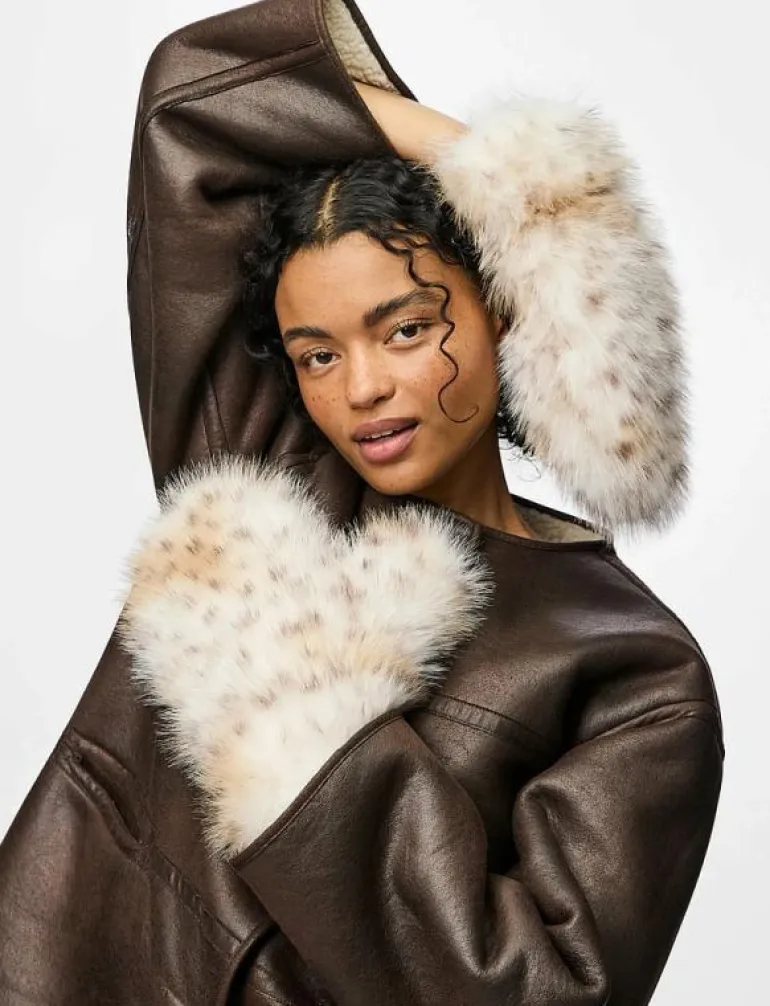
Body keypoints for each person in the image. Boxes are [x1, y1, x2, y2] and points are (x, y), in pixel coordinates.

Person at [0, 2, 724, 1004]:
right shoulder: (269, 474)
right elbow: (193, 100)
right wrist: (493, 171)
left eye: (405, 329)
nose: (362, 388)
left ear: (502, 312)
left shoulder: (636, 669)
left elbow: (545, 990)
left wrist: (302, 725)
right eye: (317, 355)